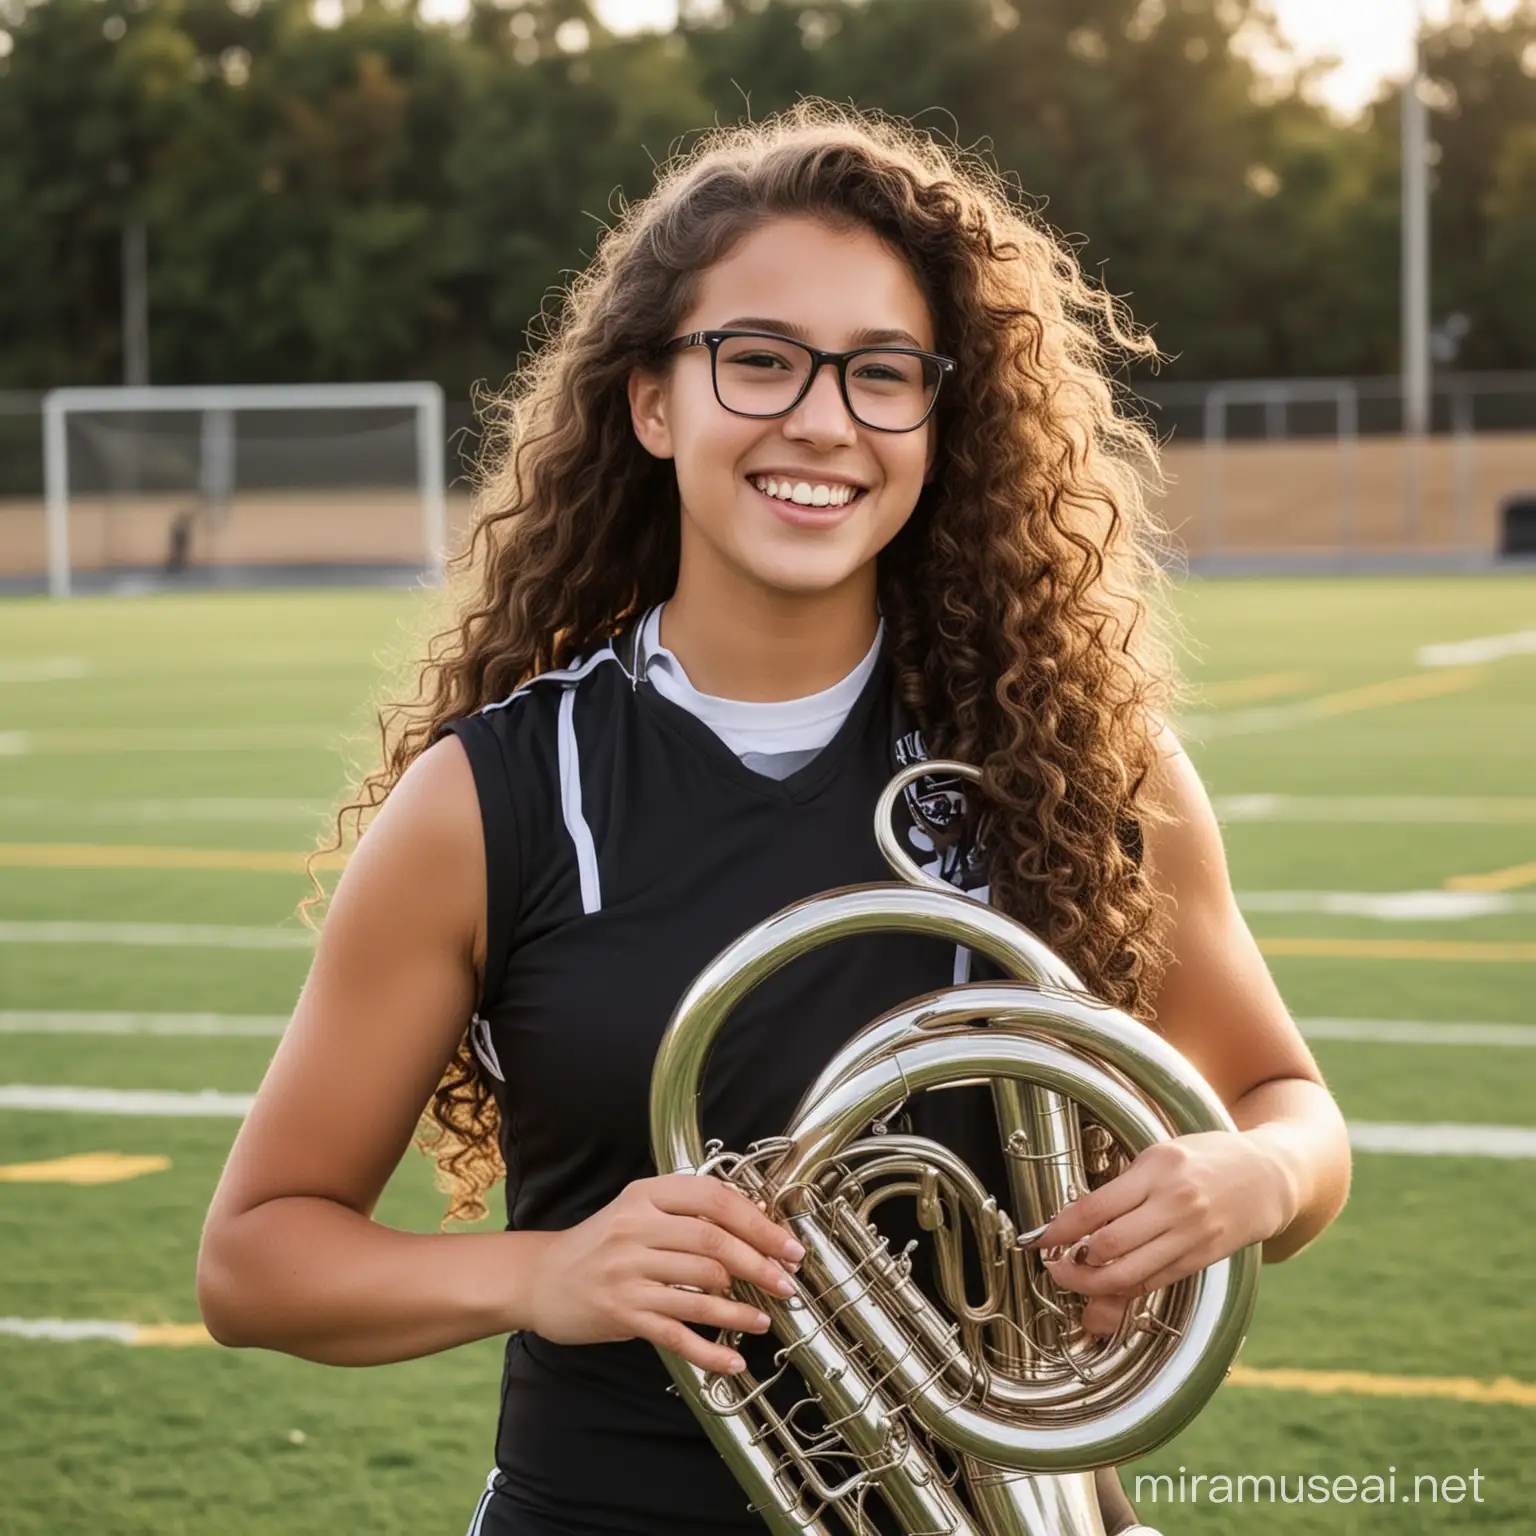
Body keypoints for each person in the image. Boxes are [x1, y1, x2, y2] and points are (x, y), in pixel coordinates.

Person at [196, 103, 1352, 1536]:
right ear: (652, 401)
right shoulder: (489, 798)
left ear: (943, 418)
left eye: (883, 375)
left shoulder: (1081, 763)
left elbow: (1295, 1118)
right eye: (758, 361)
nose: (822, 420)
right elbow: (255, 1261)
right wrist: (542, 1273)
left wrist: (1242, 1175)